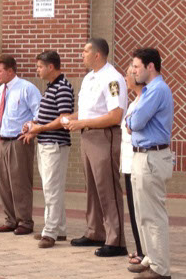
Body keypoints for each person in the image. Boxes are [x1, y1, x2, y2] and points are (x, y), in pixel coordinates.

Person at [63, 38, 128, 257]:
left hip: (104, 136)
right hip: (87, 136)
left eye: (85, 51)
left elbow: (115, 115)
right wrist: (71, 119)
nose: (81, 54)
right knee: (92, 187)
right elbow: (88, 111)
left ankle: (116, 240)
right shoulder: (89, 77)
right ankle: (95, 232)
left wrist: (82, 122)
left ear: (97, 54)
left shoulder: (112, 79)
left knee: (107, 188)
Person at [126, 48, 173, 279]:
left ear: (150, 66)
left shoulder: (156, 90)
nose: (133, 71)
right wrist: (130, 121)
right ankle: (150, 258)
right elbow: (132, 120)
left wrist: (130, 121)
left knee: (153, 215)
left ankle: (160, 269)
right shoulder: (148, 91)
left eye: (136, 66)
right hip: (142, 156)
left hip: (151, 158)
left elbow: (135, 121)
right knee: (142, 213)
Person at [20, 51, 73, 247]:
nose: (37, 70)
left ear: (51, 67)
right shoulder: (51, 87)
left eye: (40, 67)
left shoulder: (63, 88)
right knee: (51, 188)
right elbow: (47, 116)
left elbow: (64, 119)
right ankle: (59, 229)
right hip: (45, 143)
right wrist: (33, 125)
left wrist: (39, 128)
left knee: (52, 189)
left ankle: (50, 232)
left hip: (55, 145)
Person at [0, 54, 41, 235]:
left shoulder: (27, 89)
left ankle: (25, 222)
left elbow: (39, 113)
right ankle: (10, 220)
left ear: (11, 71)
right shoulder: (0, 90)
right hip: (2, 141)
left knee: (19, 183)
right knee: (4, 184)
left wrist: (31, 130)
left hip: (19, 141)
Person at [120, 64, 144, 265]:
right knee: (133, 209)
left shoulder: (144, 100)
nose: (126, 78)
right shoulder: (134, 101)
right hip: (128, 162)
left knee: (140, 210)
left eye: (128, 74)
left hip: (137, 161)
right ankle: (139, 247)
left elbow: (133, 127)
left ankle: (144, 251)